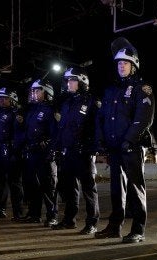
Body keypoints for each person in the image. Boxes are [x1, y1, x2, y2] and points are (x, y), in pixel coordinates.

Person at [95, 37, 155, 243]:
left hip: (132, 147)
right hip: (114, 148)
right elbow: (102, 117)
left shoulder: (142, 88)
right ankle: (114, 226)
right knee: (116, 188)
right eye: (119, 63)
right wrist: (101, 141)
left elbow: (144, 118)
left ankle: (138, 229)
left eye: (125, 63)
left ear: (134, 65)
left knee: (135, 187)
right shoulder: (111, 90)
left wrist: (129, 139)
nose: (121, 66)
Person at [52, 67, 100, 234]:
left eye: (71, 80)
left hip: (83, 152)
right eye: (66, 80)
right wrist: (57, 147)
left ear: (82, 82)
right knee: (69, 188)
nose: (67, 83)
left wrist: (93, 148)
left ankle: (92, 223)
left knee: (88, 189)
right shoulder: (66, 103)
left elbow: (96, 128)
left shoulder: (92, 102)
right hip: (68, 152)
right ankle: (69, 220)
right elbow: (62, 127)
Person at [19, 79, 59, 227]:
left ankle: (52, 215)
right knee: (32, 185)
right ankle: (34, 214)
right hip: (32, 152)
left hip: (44, 153)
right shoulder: (31, 110)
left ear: (46, 92)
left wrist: (51, 150)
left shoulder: (51, 110)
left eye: (37, 90)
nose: (34, 93)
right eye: (33, 90)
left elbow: (55, 133)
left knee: (48, 186)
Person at [0, 87, 25, 219]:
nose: (2, 100)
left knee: (14, 182)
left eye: (5, 98)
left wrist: (15, 151)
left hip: (10, 151)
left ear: (12, 99)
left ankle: (18, 212)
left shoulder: (16, 113)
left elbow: (19, 134)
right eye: (0, 98)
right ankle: (0, 209)